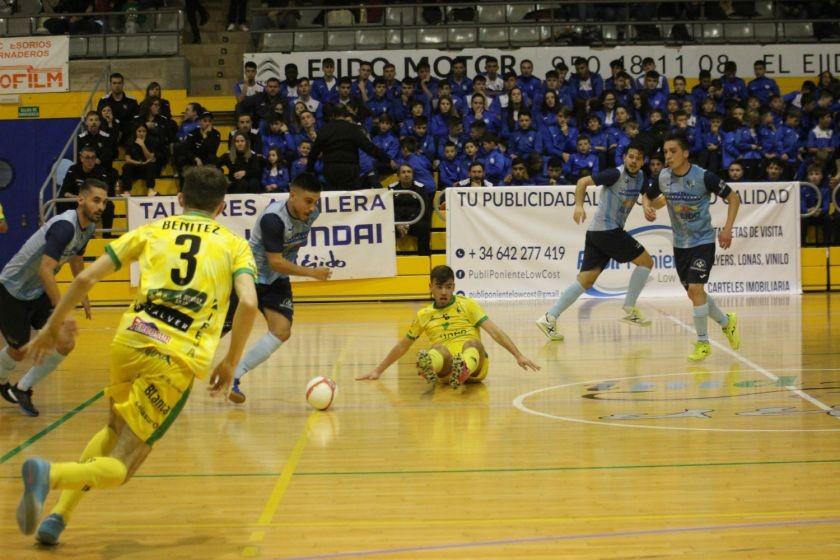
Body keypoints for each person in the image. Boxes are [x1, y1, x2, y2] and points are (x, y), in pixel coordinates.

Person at [15, 166, 258, 545]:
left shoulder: (153, 230)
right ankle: (51, 474)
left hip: (129, 340)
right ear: (222, 207)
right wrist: (229, 361)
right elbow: (248, 302)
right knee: (123, 465)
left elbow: (83, 279)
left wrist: (51, 327)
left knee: (113, 429)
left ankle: (58, 517)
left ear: (179, 200)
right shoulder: (233, 244)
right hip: (174, 357)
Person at [0, 179, 106, 416]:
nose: (100, 207)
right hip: (12, 290)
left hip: (38, 291)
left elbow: (77, 260)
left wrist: (83, 293)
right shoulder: (64, 226)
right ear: (81, 199)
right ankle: (1, 379)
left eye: (104, 202)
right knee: (19, 350)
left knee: (66, 341)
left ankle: (23, 388)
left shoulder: (87, 228)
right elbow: (45, 269)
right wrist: (62, 312)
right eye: (96, 200)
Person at [224, 173, 332, 403]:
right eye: (308, 201)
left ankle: (234, 375)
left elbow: (281, 263)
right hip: (249, 276)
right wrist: (313, 272)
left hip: (275, 280)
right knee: (218, 331)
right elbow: (276, 261)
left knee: (281, 330)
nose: (313, 208)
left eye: (316, 202)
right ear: (293, 196)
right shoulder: (273, 219)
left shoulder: (313, 213)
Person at [536, 141, 654, 341]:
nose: (634, 161)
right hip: (607, 230)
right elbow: (582, 182)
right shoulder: (615, 174)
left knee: (586, 281)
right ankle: (630, 307)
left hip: (596, 233)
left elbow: (649, 198)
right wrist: (579, 206)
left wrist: (649, 206)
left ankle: (549, 317)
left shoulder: (641, 177)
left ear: (643, 162)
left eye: (638, 158)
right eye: (631, 157)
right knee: (647, 262)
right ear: (624, 157)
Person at [643, 132, 742, 361]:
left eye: (673, 151)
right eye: (665, 152)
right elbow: (653, 198)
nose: (668, 156)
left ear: (685, 153)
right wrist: (647, 208)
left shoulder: (703, 176)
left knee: (696, 289)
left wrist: (727, 229)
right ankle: (727, 322)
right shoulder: (663, 177)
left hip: (703, 241)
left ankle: (703, 343)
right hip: (680, 245)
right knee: (694, 293)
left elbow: (733, 198)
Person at [357, 265, 539, 387]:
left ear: (454, 287)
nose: (444, 292)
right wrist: (378, 370)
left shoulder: (467, 305)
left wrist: (518, 355)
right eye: (439, 287)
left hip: (476, 368)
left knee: (474, 344)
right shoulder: (424, 315)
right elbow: (403, 345)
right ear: (430, 286)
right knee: (438, 349)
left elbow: (494, 331)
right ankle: (430, 366)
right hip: (447, 370)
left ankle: (463, 368)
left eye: (448, 286)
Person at [307, 105, 396, 190]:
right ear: (346, 115)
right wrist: (387, 159)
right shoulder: (353, 129)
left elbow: (314, 152)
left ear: (333, 115)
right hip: (350, 169)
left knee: (333, 196)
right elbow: (370, 148)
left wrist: (309, 170)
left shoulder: (324, 129)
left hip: (330, 168)